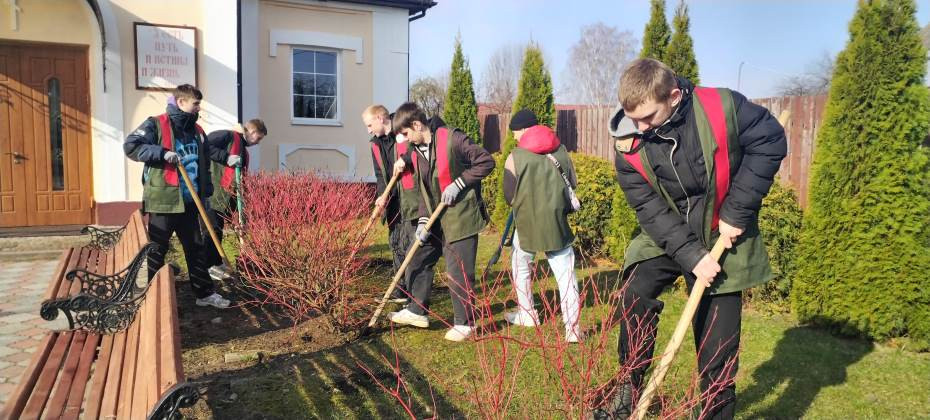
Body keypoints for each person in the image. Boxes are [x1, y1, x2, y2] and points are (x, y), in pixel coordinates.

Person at [601, 58, 787, 418]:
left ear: (673, 96)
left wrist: (737, 211)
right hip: (667, 232)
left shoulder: (722, 107)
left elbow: (769, 139)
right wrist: (691, 256)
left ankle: (715, 409)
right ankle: (629, 385)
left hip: (723, 230)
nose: (639, 127)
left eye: (648, 117)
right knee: (634, 293)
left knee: (718, 344)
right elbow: (648, 207)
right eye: (632, 117)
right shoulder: (628, 142)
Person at [387, 102, 495, 342]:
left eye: (405, 134)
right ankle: (417, 311)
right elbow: (427, 189)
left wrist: (459, 183)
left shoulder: (452, 139)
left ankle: (465, 324)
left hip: (460, 216)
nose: (404, 140)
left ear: (416, 125)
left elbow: (486, 162)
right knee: (418, 256)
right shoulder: (415, 151)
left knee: (458, 270)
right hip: (435, 215)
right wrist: (424, 220)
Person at [124, 84, 231, 309]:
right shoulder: (156, 124)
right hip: (164, 201)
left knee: (195, 248)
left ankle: (204, 294)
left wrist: (207, 192)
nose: (198, 108)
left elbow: (204, 164)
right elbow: (131, 146)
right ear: (181, 102)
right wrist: (161, 153)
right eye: (196, 104)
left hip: (191, 202)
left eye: (199, 103)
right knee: (157, 249)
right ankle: (146, 296)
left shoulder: (198, 131)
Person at [501, 109, 582, 343]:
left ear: (525, 130)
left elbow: (509, 195)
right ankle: (573, 329)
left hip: (526, 226)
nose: (515, 138)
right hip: (557, 224)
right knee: (566, 277)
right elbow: (572, 184)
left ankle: (527, 314)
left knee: (521, 269)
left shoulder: (514, 156)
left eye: (516, 132)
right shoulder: (561, 151)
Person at [363, 105, 415, 303]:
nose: (368, 130)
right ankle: (400, 289)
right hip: (392, 198)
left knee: (409, 242)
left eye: (369, 125)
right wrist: (380, 195)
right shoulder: (375, 144)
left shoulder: (403, 128)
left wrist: (406, 158)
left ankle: (413, 291)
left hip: (410, 197)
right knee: (395, 242)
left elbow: (419, 147)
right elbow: (380, 175)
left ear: (379, 118)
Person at [204, 118, 267, 280]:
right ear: (252, 132)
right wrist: (225, 157)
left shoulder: (243, 151)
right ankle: (209, 266)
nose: (258, 143)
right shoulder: (227, 136)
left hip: (227, 196)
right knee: (212, 229)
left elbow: (240, 179)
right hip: (214, 192)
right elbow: (204, 145)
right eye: (258, 138)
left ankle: (216, 262)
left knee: (219, 229)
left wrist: (239, 210)